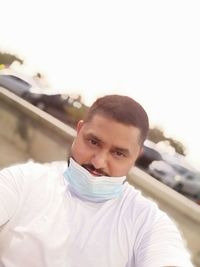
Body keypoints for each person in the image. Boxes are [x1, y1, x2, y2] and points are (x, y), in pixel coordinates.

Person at [0, 94, 193, 267]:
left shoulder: (146, 223)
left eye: (118, 153)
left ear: (136, 157)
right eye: (93, 142)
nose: (98, 161)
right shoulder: (24, 181)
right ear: (79, 130)